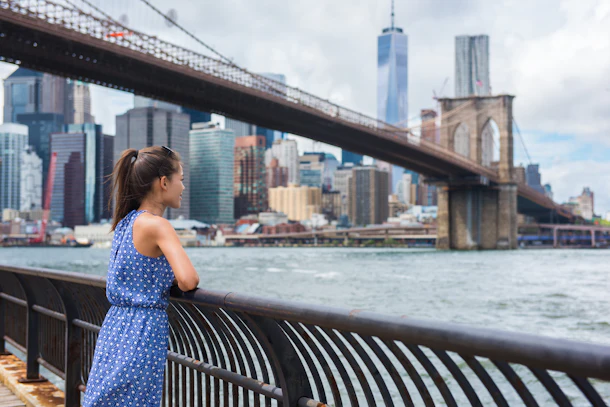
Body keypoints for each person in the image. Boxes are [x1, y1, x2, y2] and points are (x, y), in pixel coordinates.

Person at [83, 145, 200, 407]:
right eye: (180, 180)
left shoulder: (126, 222)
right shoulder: (158, 225)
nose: (182, 187)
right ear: (163, 182)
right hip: (143, 330)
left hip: (115, 326)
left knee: (108, 397)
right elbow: (189, 280)